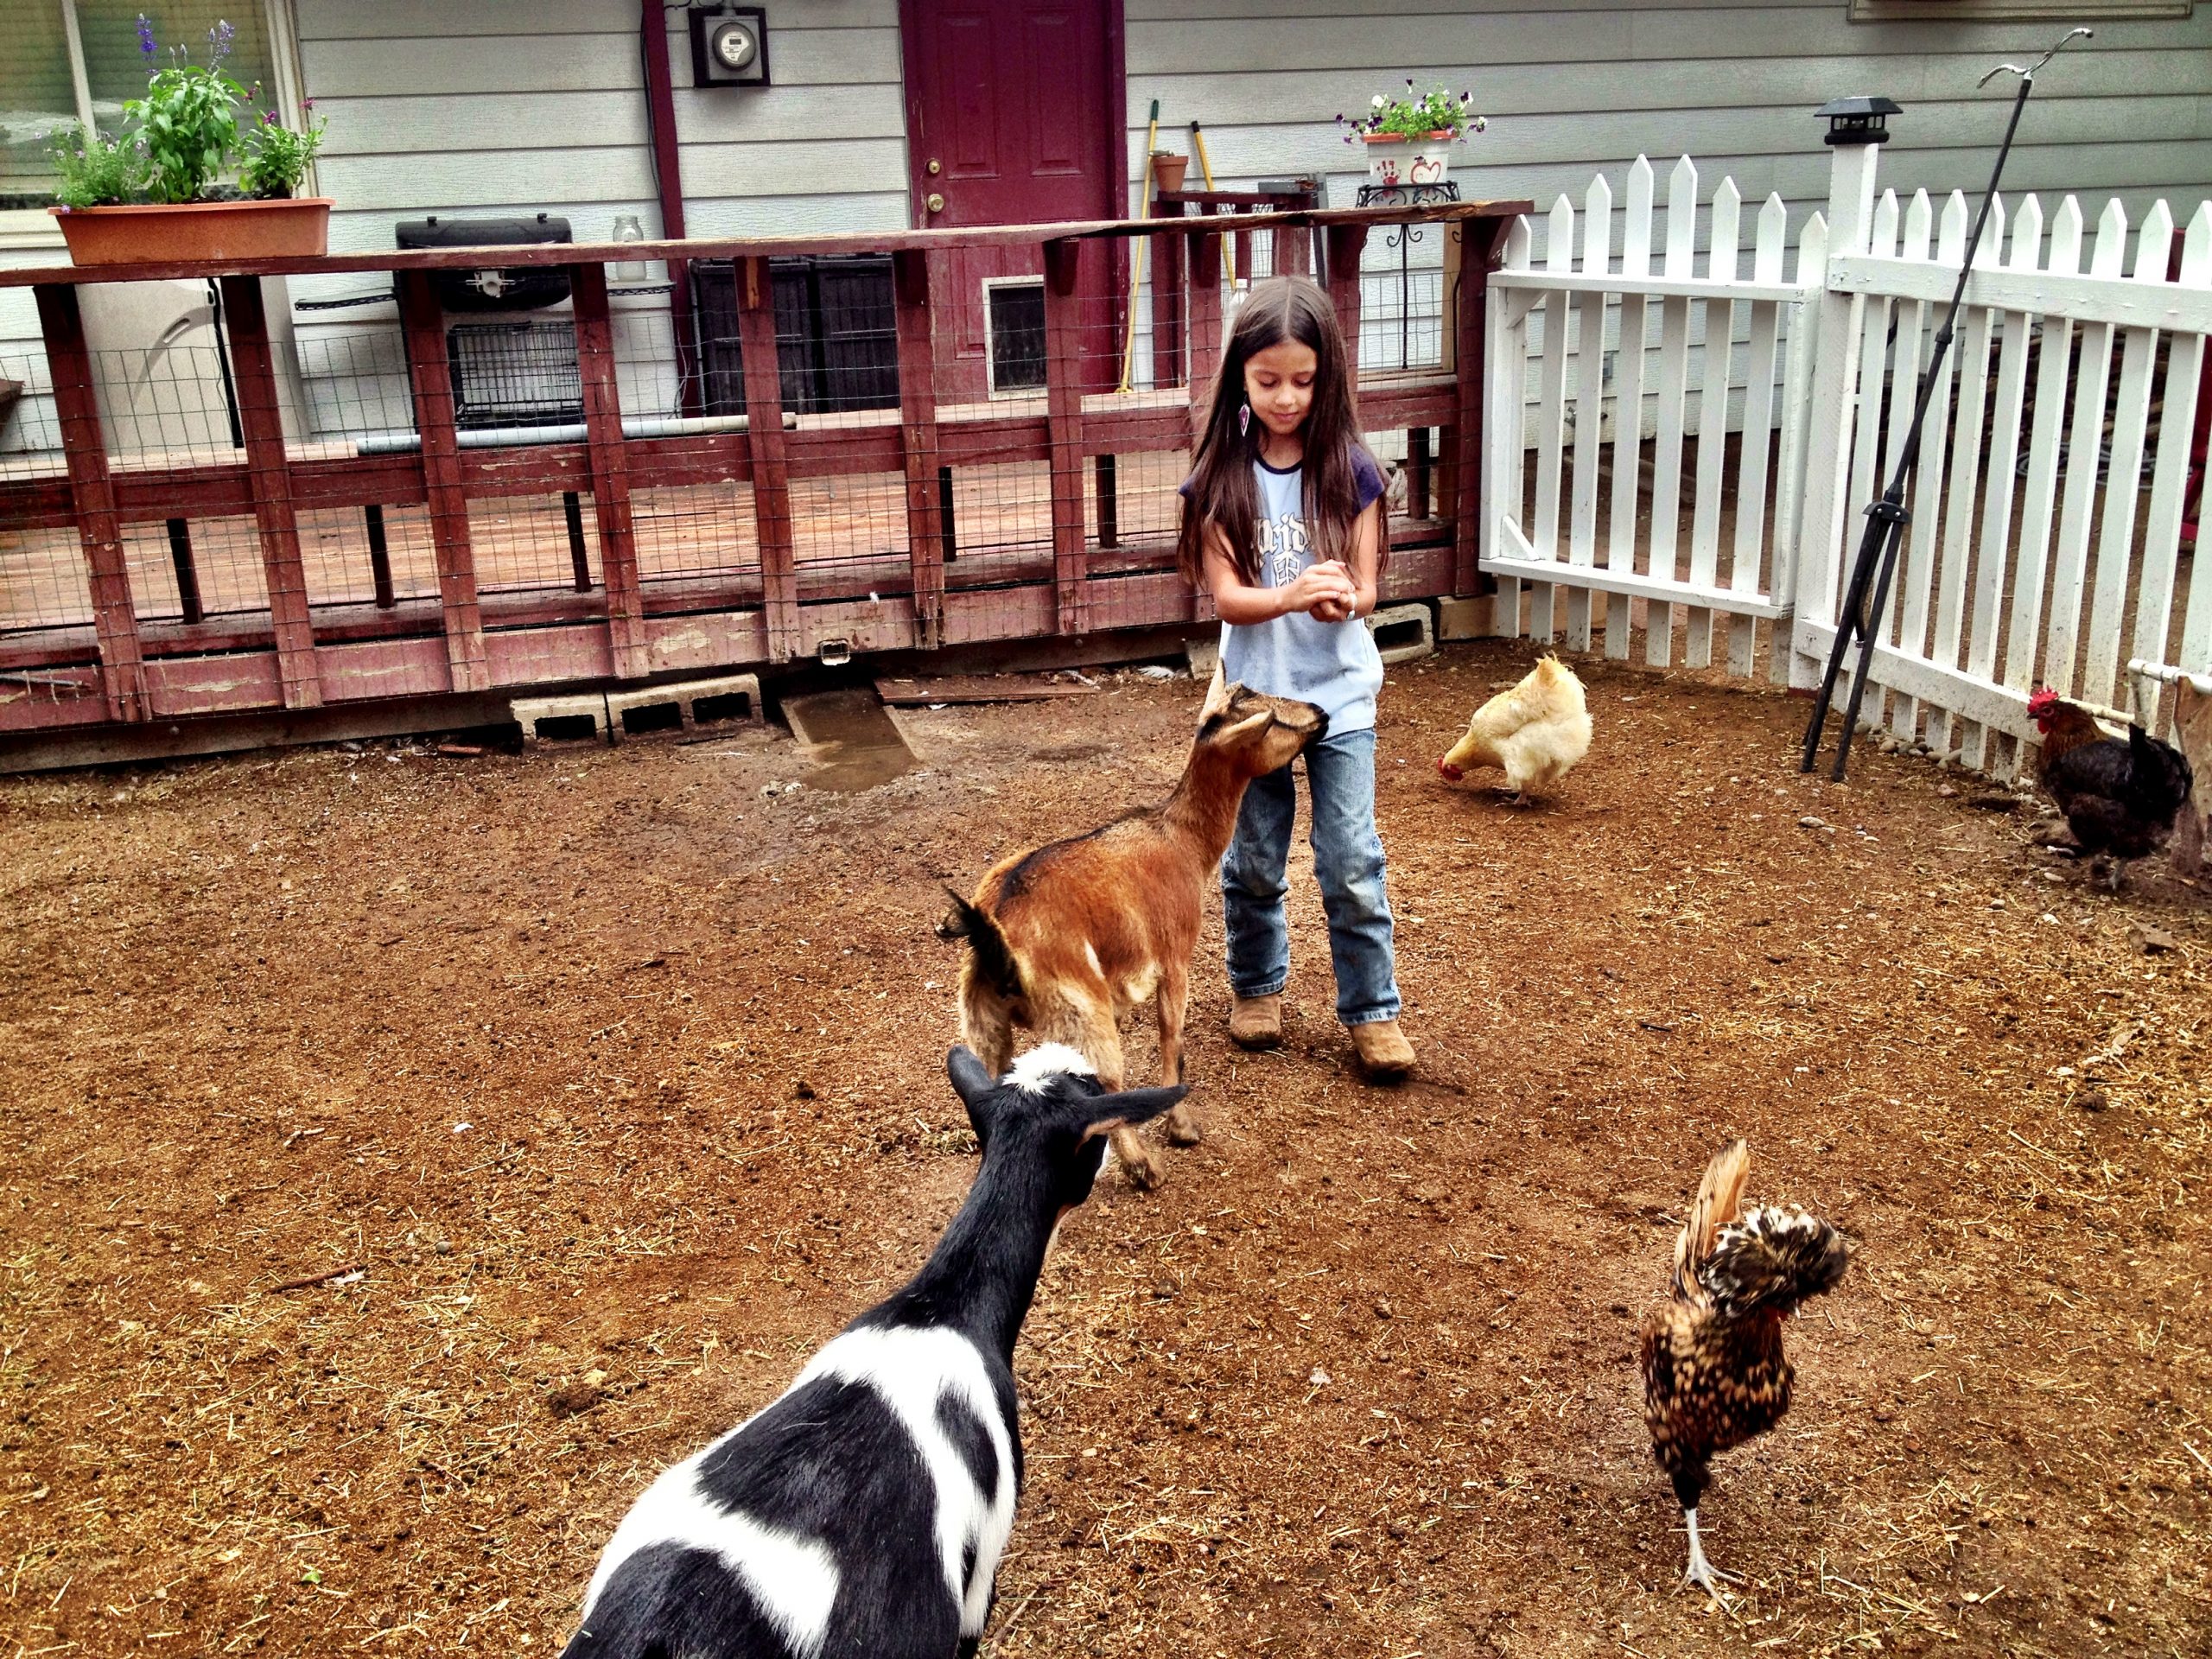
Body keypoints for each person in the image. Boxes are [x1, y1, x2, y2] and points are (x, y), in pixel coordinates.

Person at [1174, 276, 1413, 1081]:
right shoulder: (1221, 479)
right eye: (1268, 380)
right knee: (1253, 860)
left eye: (1303, 381)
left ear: (1328, 376)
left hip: (1340, 697)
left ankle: (1373, 1009)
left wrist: (1345, 597)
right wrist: (1290, 594)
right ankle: (1256, 988)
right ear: (1240, 376)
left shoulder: (1351, 471)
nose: (1285, 397)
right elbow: (1230, 597)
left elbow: (1370, 586)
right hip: (1254, 707)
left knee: (1350, 856)